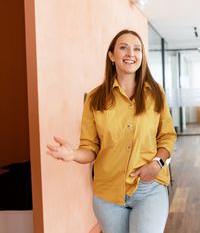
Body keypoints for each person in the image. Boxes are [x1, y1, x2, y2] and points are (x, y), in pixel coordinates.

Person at [47, 30, 176, 233]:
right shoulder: (95, 98)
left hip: (149, 188)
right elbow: (90, 148)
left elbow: (167, 136)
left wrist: (158, 163)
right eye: (123, 47)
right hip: (108, 194)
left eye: (137, 49)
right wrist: (72, 154)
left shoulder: (155, 93)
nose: (130, 53)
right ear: (111, 56)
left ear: (142, 56)